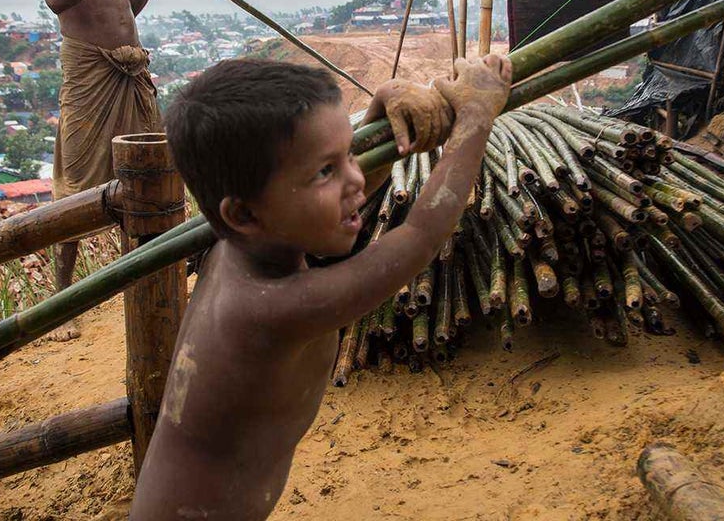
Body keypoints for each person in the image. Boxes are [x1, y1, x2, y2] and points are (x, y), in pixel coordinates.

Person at [130, 54, 512, 521]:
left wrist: (378, 110)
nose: (355, 178)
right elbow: (419, 238)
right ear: (245, 215)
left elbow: (327, 211)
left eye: (349, 154)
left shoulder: (253, 247)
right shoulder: (267, 309)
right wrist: (476, 118)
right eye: (325, 172)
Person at [28, 0, 189, 339]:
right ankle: (61, 300)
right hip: (89, 71)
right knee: (76, 175)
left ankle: (149, 276)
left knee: (148, 164)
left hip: (131, 67)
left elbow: (123, 9)